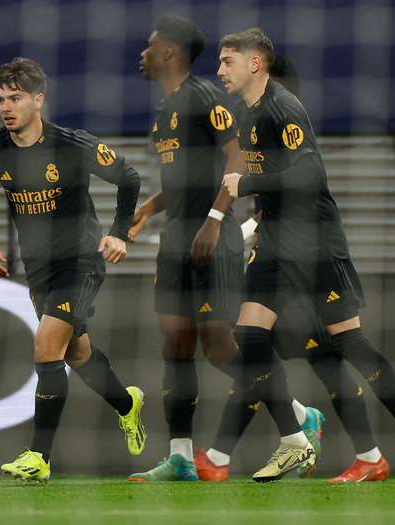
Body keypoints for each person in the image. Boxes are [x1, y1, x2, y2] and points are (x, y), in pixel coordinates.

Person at [213, 28, 395, 482]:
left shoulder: (283, 107)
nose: (219, 69)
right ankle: (296, 440)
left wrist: (247, 185)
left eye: (228, 61)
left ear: (255, 64)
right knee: (248, 338)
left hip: (316, 243)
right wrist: (251, 226)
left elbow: (308, 172)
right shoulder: (244, 113)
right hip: (275, 245)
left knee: (349, 346)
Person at [128, 16, 322, 483]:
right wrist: (149, 210)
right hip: (176, 236)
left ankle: (297, 416)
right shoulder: (163, 113)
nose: (143, 53)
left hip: (213, 237)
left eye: (150, 46)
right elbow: (182, 181)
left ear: (170, 53)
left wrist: (215, 220)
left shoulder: (207, 98)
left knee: (218, 346)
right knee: (175, 343)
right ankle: (178, 456)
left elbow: (235, 159)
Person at [0, 57, 146, 481]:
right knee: (76, 352)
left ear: (38, 99)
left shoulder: (72, 144)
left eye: (16, 98)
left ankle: (38, 457)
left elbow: (129, 177)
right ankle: (127, 403)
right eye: (1, 100)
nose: (7, 107)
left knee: (46, 346)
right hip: (39, 270)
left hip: (81, 261)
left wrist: (119, 233)